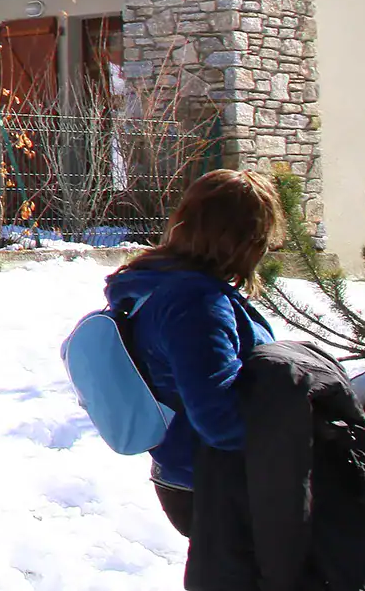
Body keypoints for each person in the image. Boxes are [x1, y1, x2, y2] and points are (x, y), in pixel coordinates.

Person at [102, 168, 281, 538]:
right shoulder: (197, 302)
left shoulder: (157, 280)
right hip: (214, 484)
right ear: (247, 239)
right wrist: (295, 434)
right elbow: (219, 419)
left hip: (186, 474)